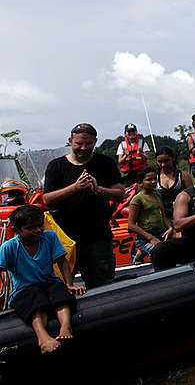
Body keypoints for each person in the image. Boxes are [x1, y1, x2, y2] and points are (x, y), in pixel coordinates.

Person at [42, 123, 124, 288]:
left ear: (95, 142)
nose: (83, 148)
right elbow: (47, 199)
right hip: (65, 239)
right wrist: (75, 188)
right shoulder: (56, 166)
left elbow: (120, 193)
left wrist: (98, 189)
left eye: (88, 144)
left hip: (97, 236)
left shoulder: (105, 163)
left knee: (103, 285)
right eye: (79, 143)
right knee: (61, 287)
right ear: (70, 141)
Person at [0, 205, 86, 353]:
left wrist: (69, 284)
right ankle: (43, 337)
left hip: (50, 282)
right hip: (25, 288)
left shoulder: (49, 237)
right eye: (31, 228)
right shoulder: (9, 247)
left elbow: (62, 261)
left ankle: (65, 326)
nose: (38, 231)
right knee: (36, 300)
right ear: (16, 230)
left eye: (40, 226)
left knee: (61, 293)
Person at [126, 167, 171, 261]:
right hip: (145, 237)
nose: (153, 181)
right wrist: (151, 238)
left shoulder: (158, 195)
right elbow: (131, 225)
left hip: (161, 232)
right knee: (161, 253)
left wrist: (170, 228)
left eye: (155, 178)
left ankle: (141, 253)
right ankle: (141, 252)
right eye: (149, 179)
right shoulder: (137, 199)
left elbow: (163, 216)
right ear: (140, 182)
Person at [155, 146, 194, 220]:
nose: (163, 164)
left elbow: (192, 197)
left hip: (182, 216)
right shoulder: (154, 178)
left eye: (166, 161)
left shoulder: (183, 176)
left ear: (173, 158)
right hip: (161, 218)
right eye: (160, 162)